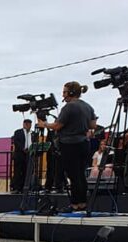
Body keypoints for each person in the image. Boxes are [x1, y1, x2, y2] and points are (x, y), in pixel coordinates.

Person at [38, 81, 97, 211]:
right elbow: (93, 125)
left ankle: (76, 204)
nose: (63, 94)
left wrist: (45, 125)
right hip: (84, 144)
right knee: (81, 174)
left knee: (73, 175)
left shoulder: (69, 107)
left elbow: (58, 125)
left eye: (64, 92)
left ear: (71, 92)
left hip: (70, 145)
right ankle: (83, 202)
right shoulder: (88, 106)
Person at [10, 119, 32, 193]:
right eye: (27, 124)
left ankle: (24, 187)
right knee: (18, 172)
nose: (29, 126)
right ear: (24, 124)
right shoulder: (18, 132)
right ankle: (17, 188)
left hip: (28, 155)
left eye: (30, 124)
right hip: (20, 155)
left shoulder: (32, 133)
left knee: (26, 172)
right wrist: (23, 149)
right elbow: (16, 142)